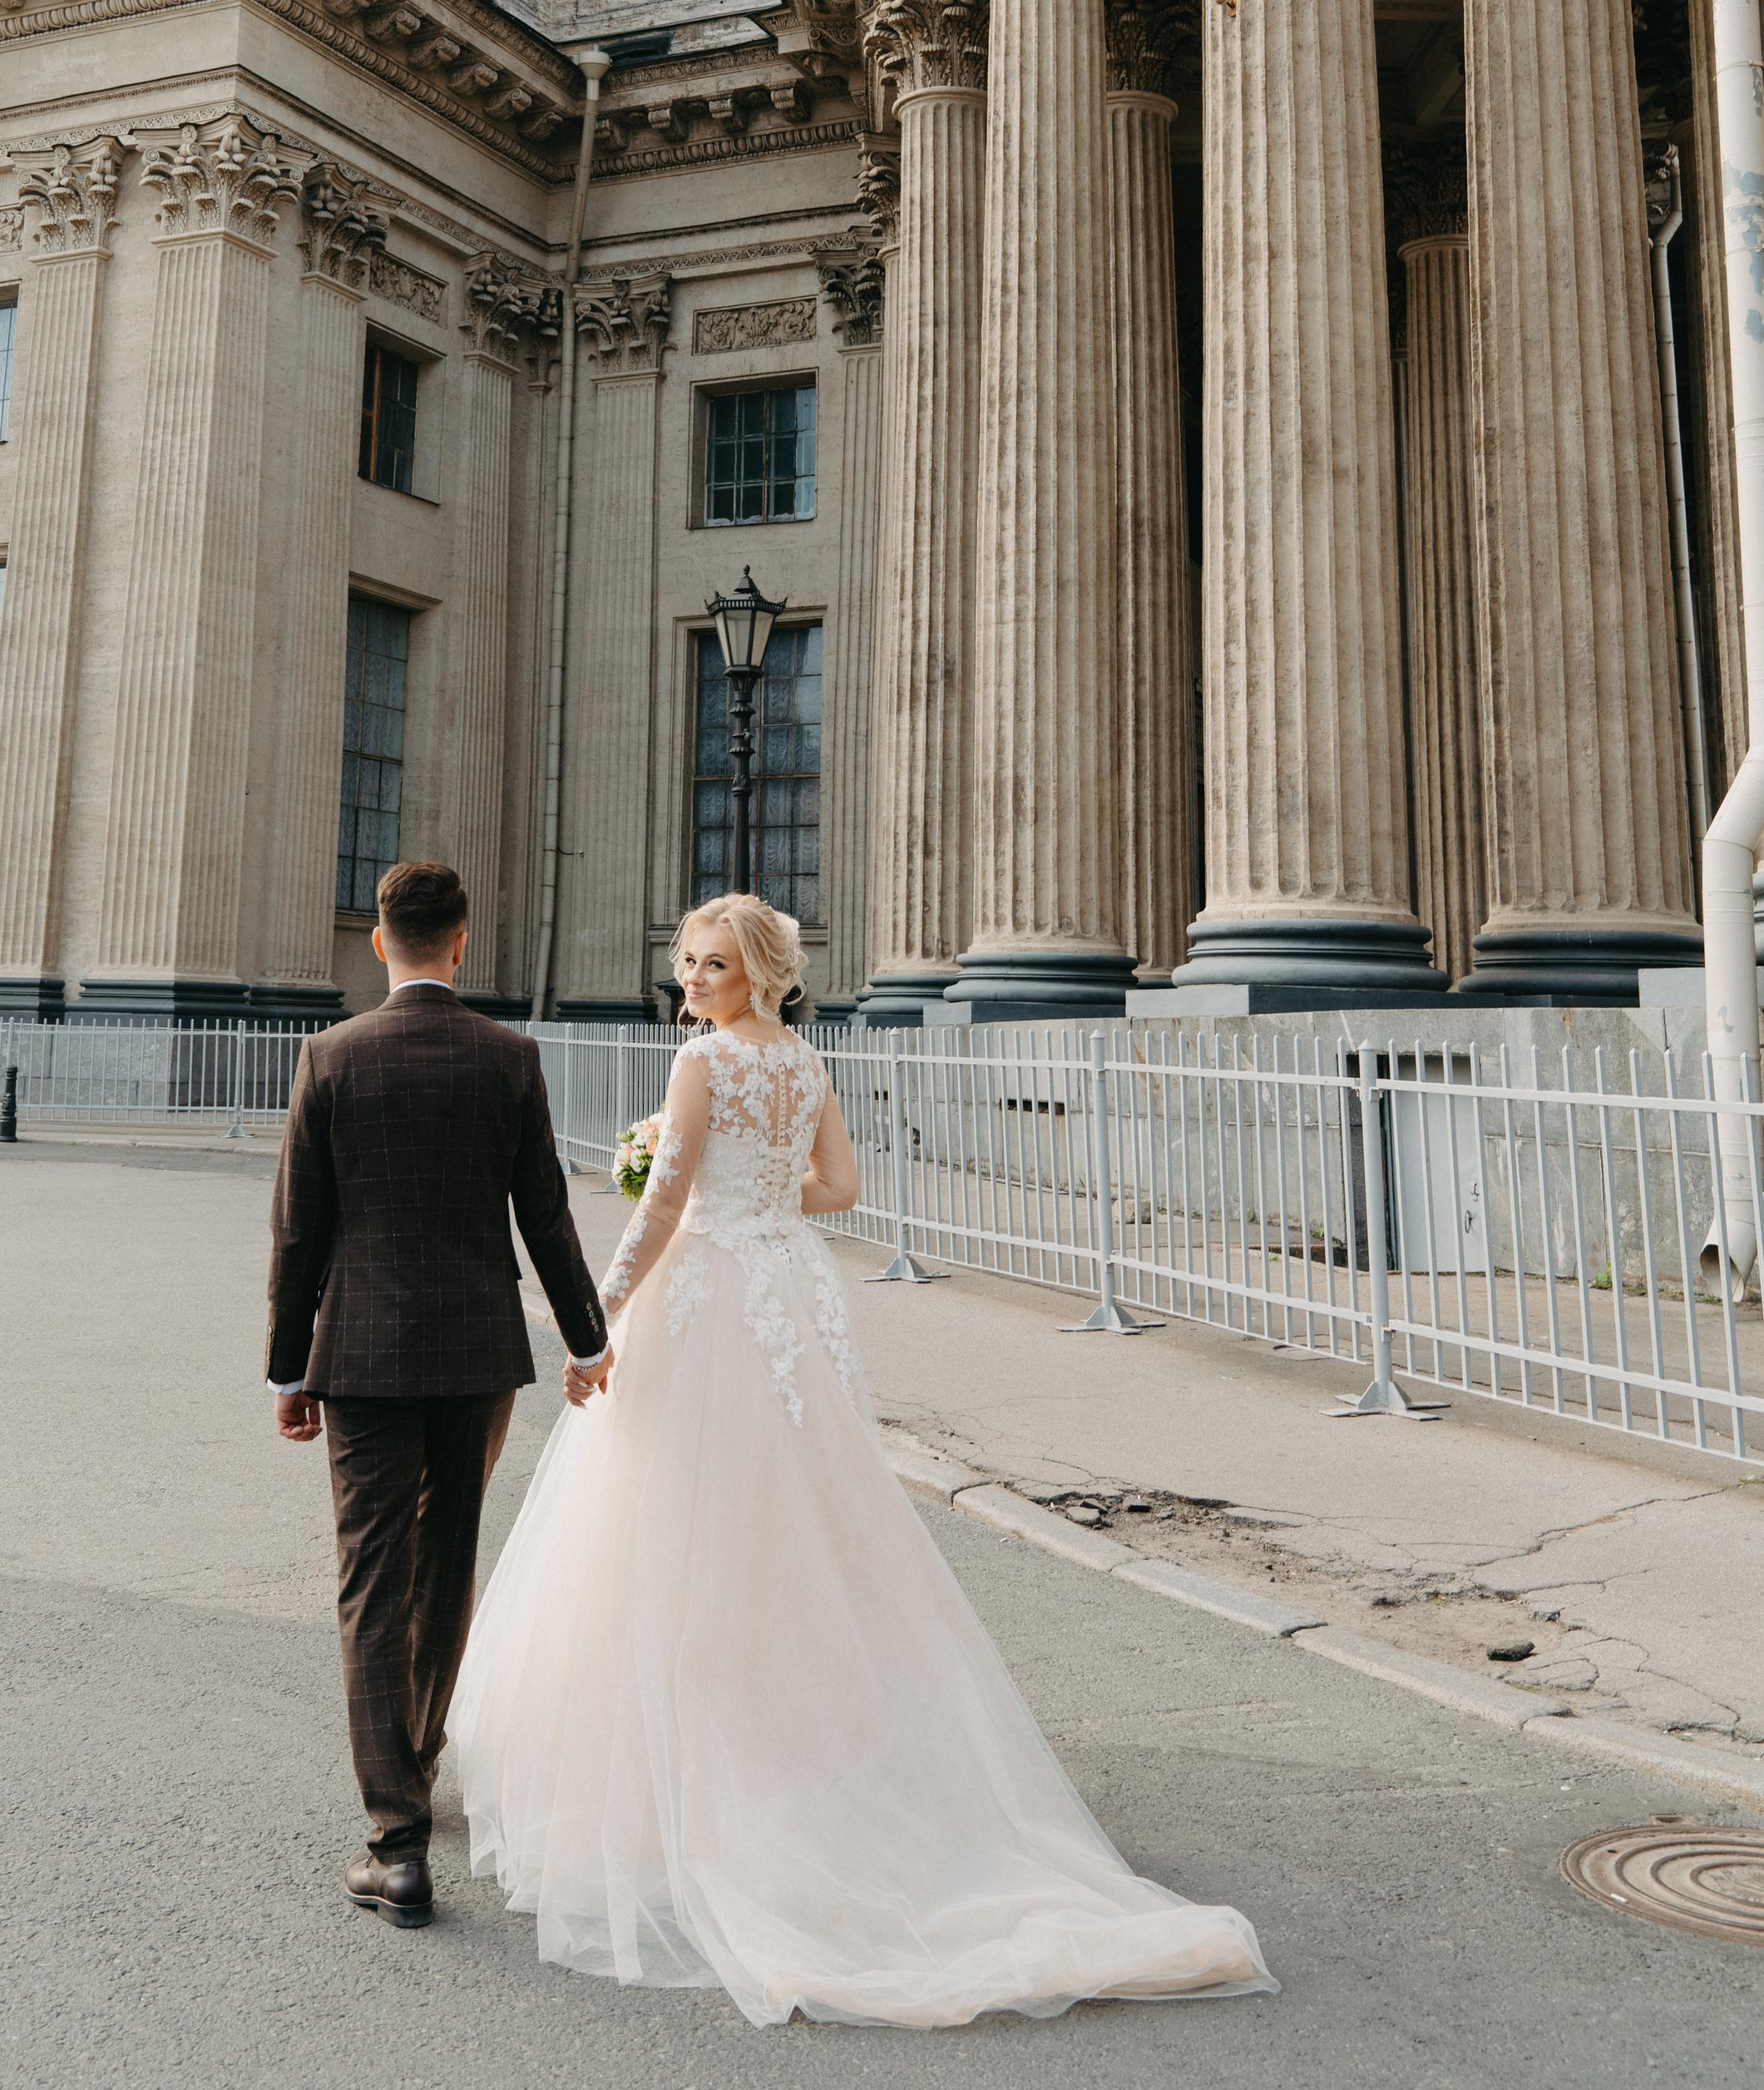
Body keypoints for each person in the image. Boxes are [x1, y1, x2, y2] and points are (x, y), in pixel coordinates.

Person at [450, 891, 1276, 2028]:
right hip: (788, 1288)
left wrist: (596, 1320)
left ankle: (678, 1787)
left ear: (757, 973)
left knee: (666, 1528)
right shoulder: (805, 1063)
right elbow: (842, 1190)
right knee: (797, 1526)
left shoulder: (702, 1063)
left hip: (710, 1300)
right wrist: (754, 1191)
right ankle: (818, 1749)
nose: (689, 980)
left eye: (711, 966)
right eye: (686, 963)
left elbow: (666, 1205)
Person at [266, 858, 609, 1932]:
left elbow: (297, 1229)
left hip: (361, 1354)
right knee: (447, 1557)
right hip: (476, 1353)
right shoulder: (507, 1056)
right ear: (461, 941)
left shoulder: (330, 1056)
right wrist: (591, 1338)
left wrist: (289, 1364)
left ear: (381, 942)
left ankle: (396, 1841)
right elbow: (546, 1217)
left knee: (371, 1579)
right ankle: (416, 1752)